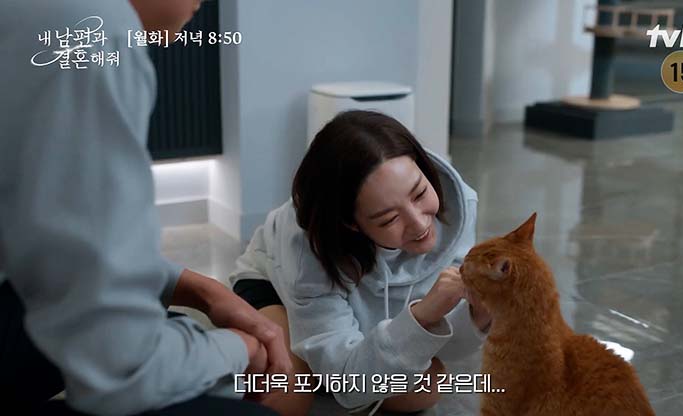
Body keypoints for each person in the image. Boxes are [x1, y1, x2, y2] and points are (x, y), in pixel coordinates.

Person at [0, 1, 290, 414]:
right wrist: (236, 349)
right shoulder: (92, 30)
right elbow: (125, 372)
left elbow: (57, 244)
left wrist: (199, 289)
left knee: (155, 308)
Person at [229, 110, 493, 416]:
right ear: (351, 224)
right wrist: (421, 316)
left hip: (362, 318)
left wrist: (479, 314)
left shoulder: (459, 205)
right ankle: (312, 367)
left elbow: (447, 346)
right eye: (389, 219)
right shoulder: (308, 250)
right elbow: (349, 385)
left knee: (427, 387)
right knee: (287, 392)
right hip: (274, 287)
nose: (420, 224)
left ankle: (323, 367)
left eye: (420, 193)